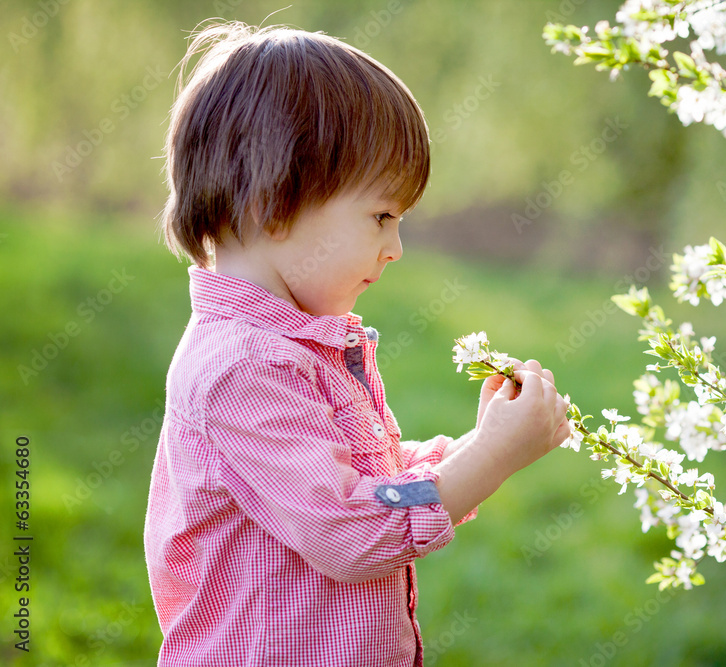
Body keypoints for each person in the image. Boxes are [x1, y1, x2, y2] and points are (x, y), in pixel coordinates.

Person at [143, 20, 570, 667]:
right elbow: (350, 531)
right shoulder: (243, 367)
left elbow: (362, 484)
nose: (395, 248)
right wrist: (490, 458)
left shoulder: (292, 346)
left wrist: (480, 445)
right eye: (381, 216)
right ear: (274, 200)